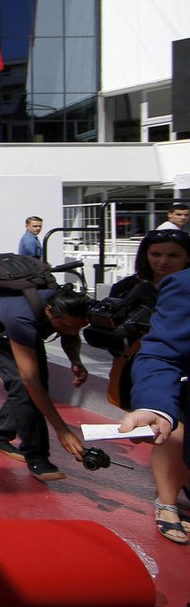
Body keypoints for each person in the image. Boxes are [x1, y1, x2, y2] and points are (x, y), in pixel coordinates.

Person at [102, 230, 190, 543]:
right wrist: (153, 404)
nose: (163, 261)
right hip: (151, 377)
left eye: (172, 255)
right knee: (171, 434)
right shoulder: (138, 287)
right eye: (156, 254)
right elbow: (161, 351)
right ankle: (167, 503)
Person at [0, 285, 91, 482]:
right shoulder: (21, 318)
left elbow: (71, 332)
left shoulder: (64, 306)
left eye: (78, 327)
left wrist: (75, 360)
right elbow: (29, 380)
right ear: (49, 311)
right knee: (23, 384)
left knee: (37, 383)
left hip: (27, 323)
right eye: (67, 325)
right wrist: (62, 430)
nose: (72, 330)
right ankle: (37, 456)